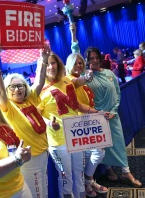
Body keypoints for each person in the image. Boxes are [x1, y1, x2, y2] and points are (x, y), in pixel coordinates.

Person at [0, 40, 51, 198]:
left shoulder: (30, 99)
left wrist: (43, 59)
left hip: (43, 152)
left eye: (21, 85)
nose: (17, 89)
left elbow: (39, 80)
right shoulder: (7, 106)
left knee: (43, 187)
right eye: (13, 86)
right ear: (7, 90)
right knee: (37, 193)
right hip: (29, 159)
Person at [38, 49, 101, 198]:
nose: (51, 67)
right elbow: (38, 115)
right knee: (66, 178)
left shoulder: (66, 79)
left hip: (75, 136)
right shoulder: (40, 90)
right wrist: (49, 124)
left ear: (58, 64)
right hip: (58, 140)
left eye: (53, 63)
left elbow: (77, 100)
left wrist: (96, 113)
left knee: (79, 173)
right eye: (47, 64)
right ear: (41, 67)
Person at [84, 46, 142, 188]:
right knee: (104, 145)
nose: (95, 60)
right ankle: (109, 170)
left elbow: (118, 93)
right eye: (91, 58)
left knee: (118, 143)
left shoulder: (109, 73)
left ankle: (126, 172)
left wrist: (114, 110)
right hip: (98, 117)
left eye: (96, 57)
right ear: (87, 60)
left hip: (113, 115)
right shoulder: (86, 77)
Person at [66, 23, 108, 197]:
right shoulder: (69, 80)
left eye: (81, 63)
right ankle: (87, 184)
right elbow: (75, 102)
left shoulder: (82, 78)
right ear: (69, 64)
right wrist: (73, 33)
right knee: (89, 156)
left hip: (87, 123)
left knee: (99, 152)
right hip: (76, 124)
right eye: (75, 63)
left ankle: (88, 180)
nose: (78, 65)